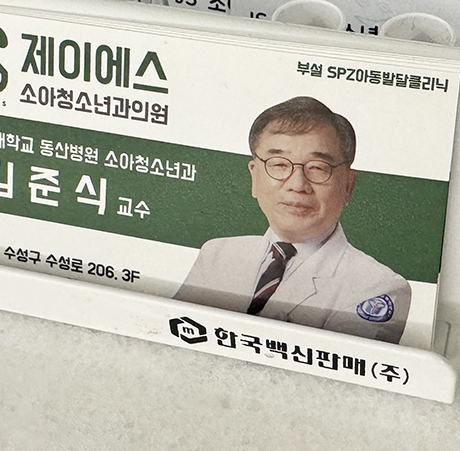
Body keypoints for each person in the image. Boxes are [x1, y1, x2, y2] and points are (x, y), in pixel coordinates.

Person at [175, 96, 411, 343]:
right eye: (279, 164)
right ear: (254, 177)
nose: (297, 184)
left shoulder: (377, 287)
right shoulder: (216, 254)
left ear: (348, 185)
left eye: (317, 167)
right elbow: (172, 336)